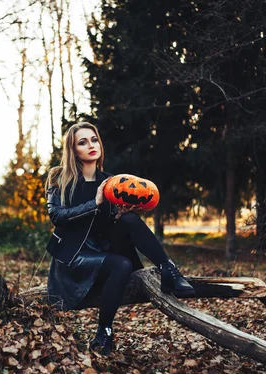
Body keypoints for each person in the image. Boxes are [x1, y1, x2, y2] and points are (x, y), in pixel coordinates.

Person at [45, 122, 195, 355]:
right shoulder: (60, 180)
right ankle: (104, 332)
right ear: (74, 151)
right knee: (122, 264)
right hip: (75, 255)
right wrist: (94, 203)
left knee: (130, 220)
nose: (91, 145)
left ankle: (168, 269)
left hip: (101, 247)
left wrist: (118, 214)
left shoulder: (111, 181)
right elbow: (57, 216)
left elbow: (103, 224)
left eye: (94, 139)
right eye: (82, 142)